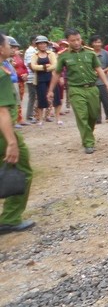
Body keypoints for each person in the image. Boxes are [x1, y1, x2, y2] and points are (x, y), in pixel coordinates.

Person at [48, 29, 108, 154]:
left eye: (78, 39)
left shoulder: (90, 53)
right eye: (73, 40)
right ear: (68, 41)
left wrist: (107, 84)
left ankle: (88, 135)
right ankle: (88, 143)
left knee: (93, 115)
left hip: (93, 88)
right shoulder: (63, 55)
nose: (76, 42)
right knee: (82, 116)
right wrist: (50, 90)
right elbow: (57, 73)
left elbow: (98, 69)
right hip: (76, 89)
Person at [0, 32, 35, 235]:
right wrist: (11, 142)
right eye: (7, 44)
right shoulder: (2, 75)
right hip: (3, 134)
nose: (11, 48)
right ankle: (10, 219)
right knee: (22, 170)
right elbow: (2, 111)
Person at [30, 36, 60, 126]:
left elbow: (55, 65)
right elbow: (33, 66)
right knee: (41, 98)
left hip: (51, 77)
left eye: (44, 43)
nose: (42, 45)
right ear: (37, 45)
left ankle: (58, 118)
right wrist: (44, 67)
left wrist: (45, 68)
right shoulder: (35, 55)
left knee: (56, 97)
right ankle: (40, 119)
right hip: (40, 79)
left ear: (46, 44)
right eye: (40, 44)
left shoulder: (51, 54)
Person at [89, 35, 108, 124]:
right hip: (91, 81)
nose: (97, 44)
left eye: (99, 42)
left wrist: (102, 71)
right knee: (95, 102)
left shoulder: (105, 53)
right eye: (95, 42)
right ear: (92, 43)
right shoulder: (89, 53)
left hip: (103, 81)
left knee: (105, 100)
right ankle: (97, 118)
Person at [8, 37, 28, 127]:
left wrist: (25, 74)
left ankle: (16, 120)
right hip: (9, 85)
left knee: (17, 101)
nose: (14, 49)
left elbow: (24, 67)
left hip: (18, 82)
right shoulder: (5, 61)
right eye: (11, 47)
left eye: (15, 47)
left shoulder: (15, 58)